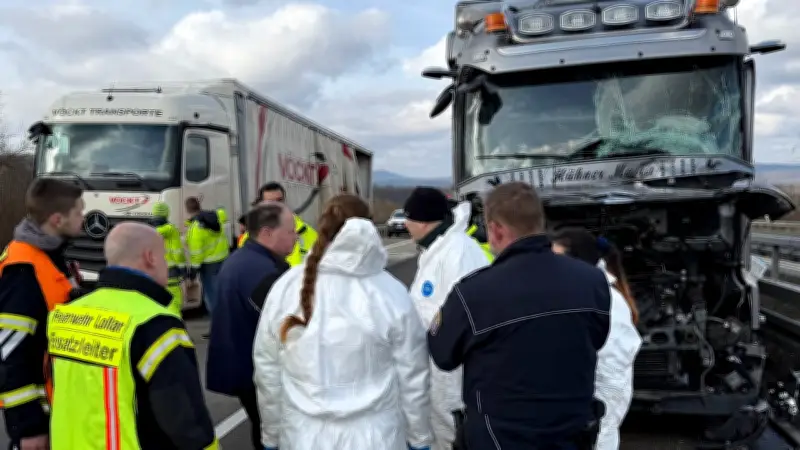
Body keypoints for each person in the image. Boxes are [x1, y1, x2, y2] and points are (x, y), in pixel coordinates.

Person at [427, 182, 611, 450]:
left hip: (498, 438)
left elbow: (442, 354)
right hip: (570, 434)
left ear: (496, 229)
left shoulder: (473, 293)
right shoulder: (592, 280)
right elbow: (597, 338)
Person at [253, 194, 433, 450]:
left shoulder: (286, 288)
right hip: (376, 438)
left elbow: (267, 370)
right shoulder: (390, 292)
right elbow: (413, 374)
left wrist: (271, 436)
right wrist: (419, 437)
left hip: (304, 437)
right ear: (368, 227)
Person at [46, 222, 219, 450]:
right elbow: (185, 421)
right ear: (150, 257)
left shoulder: (66, 314)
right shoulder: (156, 324)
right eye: (164, 257)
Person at [0, 178, 84, 450]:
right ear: (57, 219)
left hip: (60, 408)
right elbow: (10, 354)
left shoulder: (51, 256)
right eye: (78, 212)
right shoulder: (23, 271)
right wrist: (28, 428)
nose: (84, 218)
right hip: (39, 421)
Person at [405, 187, 490, 449]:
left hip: (454, 374)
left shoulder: (458, 253)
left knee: (453, 433)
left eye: (408, 218)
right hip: (439, 368)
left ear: (422, 222)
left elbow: (468, 315)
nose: (405, 225)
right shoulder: (436, 249)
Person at [207, 202, 296, 449]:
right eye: (290, 231)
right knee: (273, 431)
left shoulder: (244, 260)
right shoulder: (260, 272)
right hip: (256, 371)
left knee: (261, 427)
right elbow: (286, 326)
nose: (296, 237)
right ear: (267, 233)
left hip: (243, 366)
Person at [551, 228, 642, 450]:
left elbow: (610, 376)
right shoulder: (577, 294)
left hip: (593, 423)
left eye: (556, 260)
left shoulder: (608, 301)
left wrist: (593, 422)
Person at [238, 182, 318, 267]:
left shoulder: (309, 234)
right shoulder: (248, 240)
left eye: (279, 200)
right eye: (270, 202)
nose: (276, 205)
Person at [185, 197, 229, 335]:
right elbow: (223, 213)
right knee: (222, 294)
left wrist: (193, 272)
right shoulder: (216, 217)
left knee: (211, 298)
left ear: (187, 210)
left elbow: (196, 253)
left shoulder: (196, 228)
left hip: (208, 266)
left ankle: (218, 329)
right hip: (223, 259)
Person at [148, 201, 186, 316]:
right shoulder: (171, 230)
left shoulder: (146, 231)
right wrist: (182, 268)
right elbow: (177, 252)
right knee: (174, 301)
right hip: (170, 271)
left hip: (153, 271)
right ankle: (174, 323)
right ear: (167, 213)